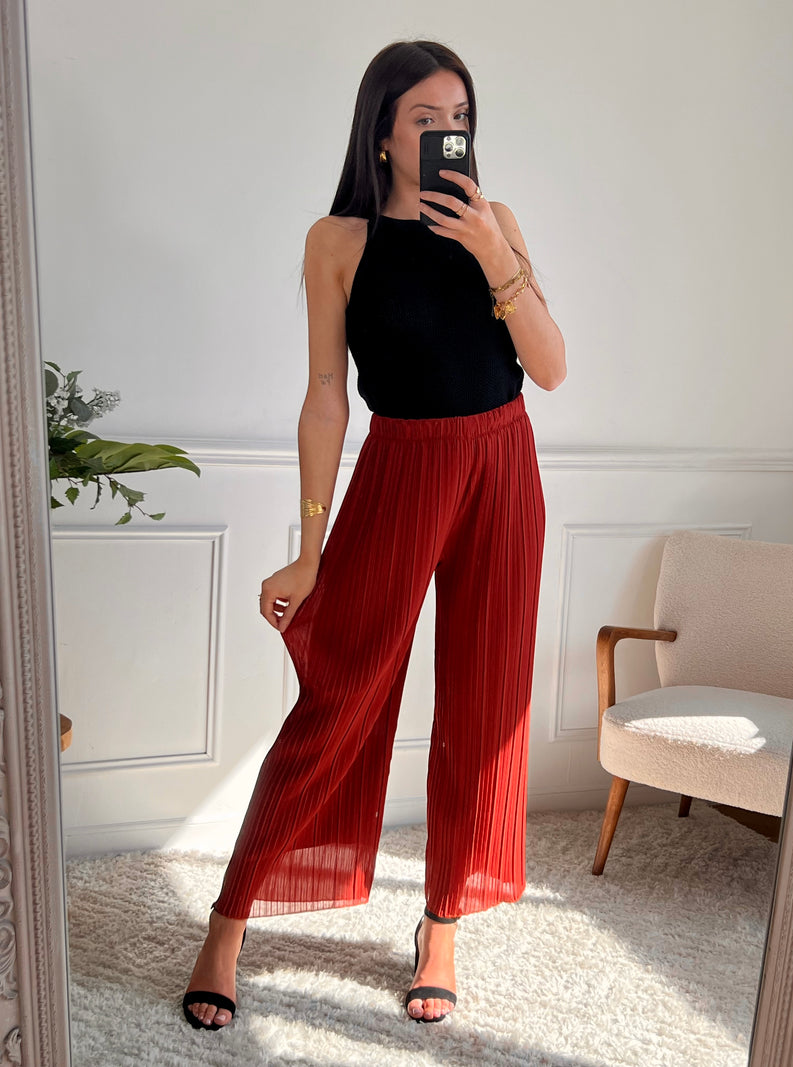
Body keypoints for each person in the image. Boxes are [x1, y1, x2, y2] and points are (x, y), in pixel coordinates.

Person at [182, 38, 566, 1031]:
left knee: (484, 701)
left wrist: (493, 253)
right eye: (424, 120)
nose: (446, 135)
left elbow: (551, 366)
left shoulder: (498, 223)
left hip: (502, 465)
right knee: (339, 694)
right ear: (383, 135)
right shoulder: (337, 241)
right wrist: (310, 549)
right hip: (399, 467)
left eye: (459, 119)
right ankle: (227, 921)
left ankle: (442, 926)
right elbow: (325, 396)